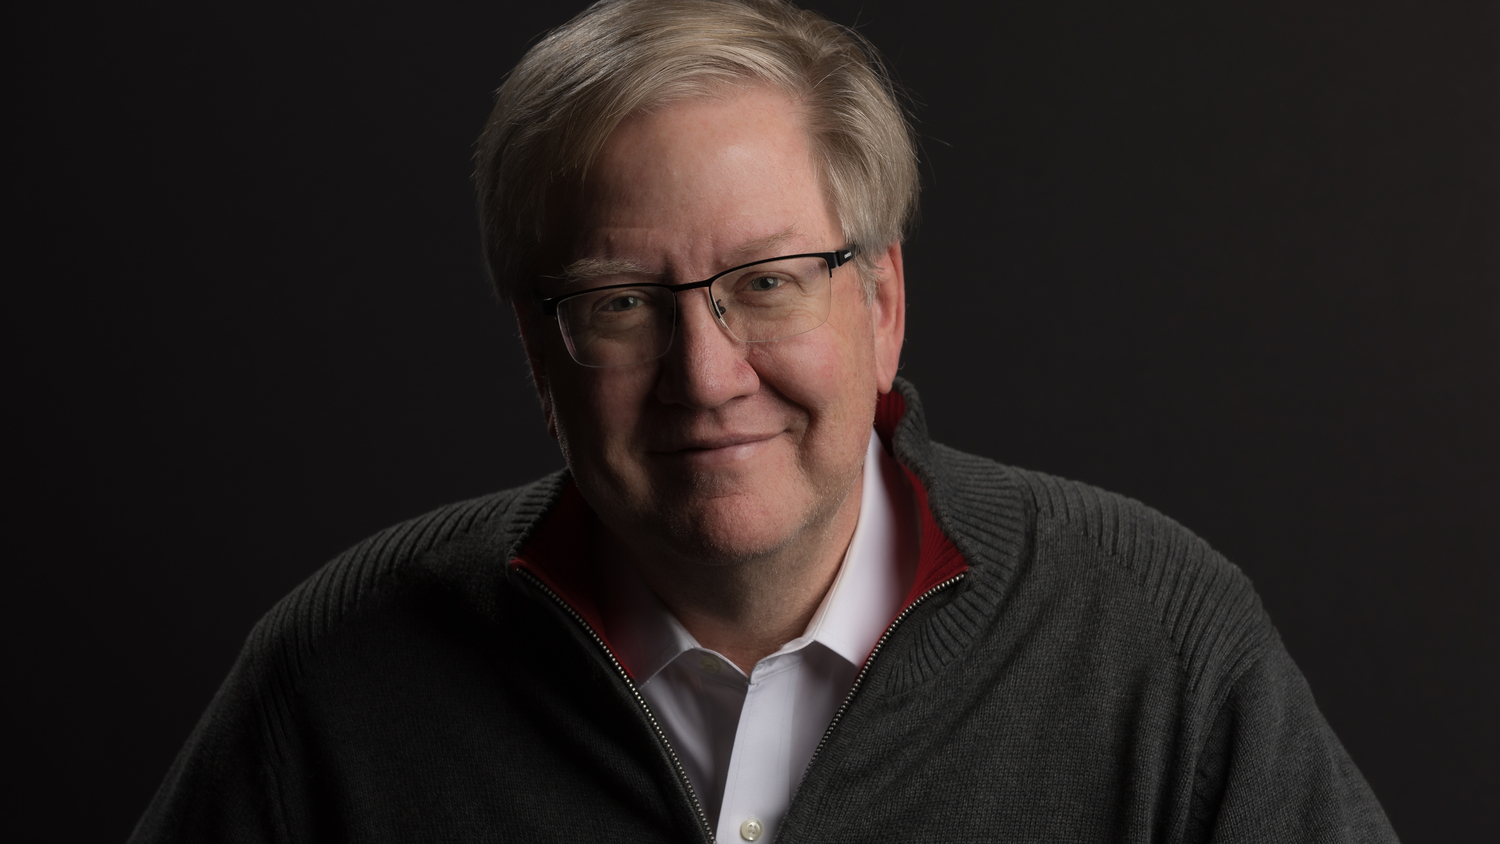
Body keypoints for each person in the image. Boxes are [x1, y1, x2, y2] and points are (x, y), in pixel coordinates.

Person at [131, 1, 1399, 841]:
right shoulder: (337, 679)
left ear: (882, 302)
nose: (705, 373)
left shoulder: (1154, 641)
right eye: (621, 303)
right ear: (538, 348)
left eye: (769, 283)